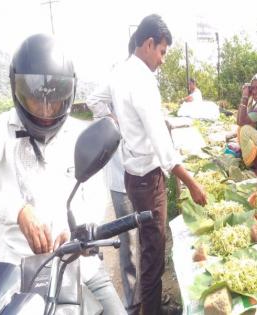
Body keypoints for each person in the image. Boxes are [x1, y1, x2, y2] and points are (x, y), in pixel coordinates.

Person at [0, 34, 126, 313]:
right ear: (18, 90)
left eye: (54, 100)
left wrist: (79, 229)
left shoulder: (78, 134)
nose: (44, 111)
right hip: (18, 274)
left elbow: (95, 196)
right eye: (35, 99)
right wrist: (17, 210)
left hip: (79, 267)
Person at [88, 14, 207, 315]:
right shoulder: (142, 81)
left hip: (132, 175)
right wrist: (193, 184)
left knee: (147, 245)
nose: (163, 60)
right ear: (149, 43)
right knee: (154, 250)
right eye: (162, 52)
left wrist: (114, 123)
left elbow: (94, 100)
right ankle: (151, 310)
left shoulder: (119, 72)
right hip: (148, 178)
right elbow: (163, 148)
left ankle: (147, 305)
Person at [87, 31, 140, 315]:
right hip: (121, 177)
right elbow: (93, 98)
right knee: (127, 243)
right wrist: (114, 122)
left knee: (143, 240)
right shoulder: (118, 77)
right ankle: (132, 302)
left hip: (141, 173)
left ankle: (142, 296)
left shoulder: (140, 81)